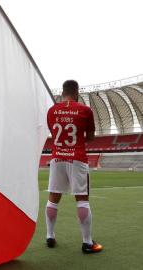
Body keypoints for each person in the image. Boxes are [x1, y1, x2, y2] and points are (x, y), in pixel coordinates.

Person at [45, 80, 103, 253]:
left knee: (53, 198)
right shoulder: (85, 110)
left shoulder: (52, 111)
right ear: (77, 92)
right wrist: (77, 140)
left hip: (57, 159)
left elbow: (54, 133)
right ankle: (87, 242)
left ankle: (49, 235)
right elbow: (91, 137)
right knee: (82, 199)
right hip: (77, 158)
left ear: (63, 92)